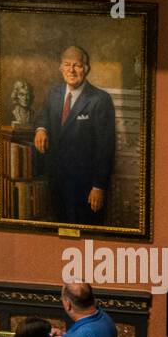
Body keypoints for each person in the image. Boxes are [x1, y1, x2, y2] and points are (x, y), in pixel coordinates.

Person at [32, 45, 115, 226]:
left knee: (85, 234)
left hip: (86, 187)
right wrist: (41, 129)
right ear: (61, 68)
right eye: (67, 65)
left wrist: (98, 186)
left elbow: (105, 148)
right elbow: (43, 115)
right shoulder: (54, 92)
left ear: (86, 68)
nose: (71, 70)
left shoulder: (100, 100)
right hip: (56, 181)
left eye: (76, 65)